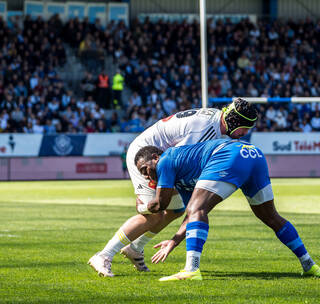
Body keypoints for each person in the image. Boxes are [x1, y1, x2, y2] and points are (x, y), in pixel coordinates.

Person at [88, 98, 258, 277]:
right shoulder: (206, 128)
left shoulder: (217, 123)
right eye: (245, 128)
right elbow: (178, 161)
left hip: (159, 155)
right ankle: (104, 255)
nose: (245, 133)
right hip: (146, 158)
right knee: (153, 214)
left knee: (176, 210)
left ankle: (135, 248)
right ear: (234, 122)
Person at [133, 140, 320, 281]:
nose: (147, 175)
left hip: (230, 153)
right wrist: (174, 241)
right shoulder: (179, 174)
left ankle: (191, 269)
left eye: (145, 169)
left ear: (155, 158)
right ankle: (309, 265)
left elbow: (161, 204)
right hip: (253, 154)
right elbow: (192, 215)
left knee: (197, 208)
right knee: (270, 216)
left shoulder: (165, 161)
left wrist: (142, 206)